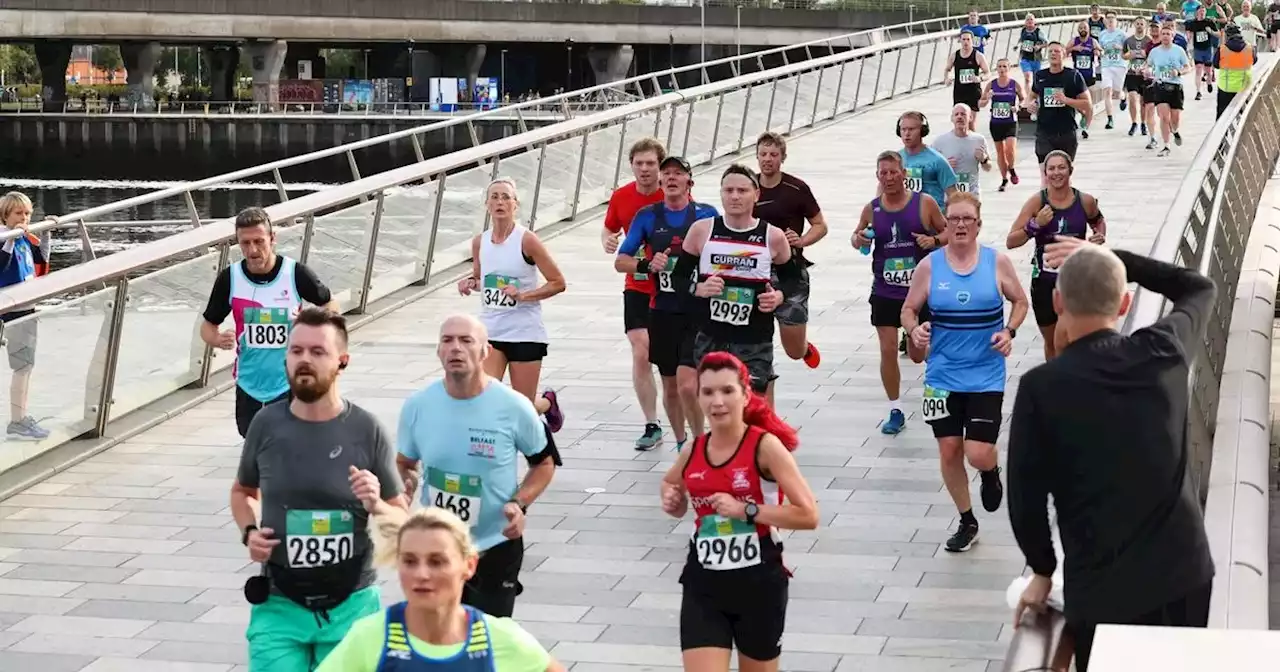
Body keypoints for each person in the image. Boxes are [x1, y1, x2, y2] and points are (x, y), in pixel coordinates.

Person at [1008, 237, 1217, 672]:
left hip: (1102, 590)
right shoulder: (1165, 351)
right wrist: (1113, 258)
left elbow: (1025, 501)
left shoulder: (1041, 388)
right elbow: (1198, 287)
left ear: (1057, 300)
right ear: (1124, 304)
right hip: (1184, 575)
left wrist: (1044, 572)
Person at [232, 307, 407, 671]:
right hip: (279, 605)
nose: (304, 360)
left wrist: (376, 503)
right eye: (296, 351)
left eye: (317, 352)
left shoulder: (366, 429)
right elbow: (243, 491)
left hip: (352, 606)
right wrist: (249, 532)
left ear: (342, 361)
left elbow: (402, 519)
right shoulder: (265, 425)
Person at [660, 351, 819, 672]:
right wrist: (672, 500)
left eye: (727, 391)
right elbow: (670, 484)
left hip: (759, 583)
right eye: (708, 392)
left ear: (746, 395)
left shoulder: (765, 447)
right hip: (704, 582)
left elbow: (808, 515)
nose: (717, 401)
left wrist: (746, 510)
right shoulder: (694, 449)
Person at [395, 314, 561, 618]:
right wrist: (406, 484)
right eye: (447, 341)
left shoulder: (514, 406)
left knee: (487, 643)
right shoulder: (418, 406)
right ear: (438, 351)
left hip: (496, 543)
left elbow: (544, 463)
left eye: (466, 341)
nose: (455, 348)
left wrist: (519, 503)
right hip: (437, 545)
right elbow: (405, 462)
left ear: (485, 352)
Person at [901, 192, 1028, 553]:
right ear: (946, 223)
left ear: (978, 224)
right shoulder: (929, 266)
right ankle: (967, 519)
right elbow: (909, 309)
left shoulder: (996, 262)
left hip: (986, 374)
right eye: (953, 219)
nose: (959, 225)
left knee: (977, 451)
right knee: (948, 450)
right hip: (941, 376)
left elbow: (1020, 301)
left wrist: (1009, 331)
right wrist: (915, 329)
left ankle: (990, 472)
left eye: (966, 219)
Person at [317, 507, 566, 672]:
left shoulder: (501, 640)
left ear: (469, 566)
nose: (421, 574)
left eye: (437, 562)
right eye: (410, 561)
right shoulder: (370, 638)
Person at [202, 206, 337, 439]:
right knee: (254, 442)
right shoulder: (230, 279)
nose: (253, 250)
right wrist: (217, 339)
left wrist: (313, 327)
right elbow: (207, 327)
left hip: (291, 380)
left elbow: (331, 307)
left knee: (287, 447)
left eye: (259, 241)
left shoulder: (294, 274)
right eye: (245, 243)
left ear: (272, 239)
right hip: (249, 381)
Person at [615, 156, 720, 451]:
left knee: (690, 383)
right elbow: (621, 262)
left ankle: (700, 443)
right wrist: (648, 265)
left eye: (678, 173)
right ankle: (680, 442)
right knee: (672, 386)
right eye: (667, 173)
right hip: (662, 311)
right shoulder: (648, 216)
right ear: (660, 182)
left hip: (699, 310)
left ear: (690, 182)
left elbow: (726, 249)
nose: (672, 178)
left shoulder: (706, 214)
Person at [459, 179, 567, 434]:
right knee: (482, 398)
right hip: (491, 332)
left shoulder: (526, 240)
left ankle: (547, 403)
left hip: (525, 332)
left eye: (506, 197)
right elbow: (482, 279)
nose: (500, 202)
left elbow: (558, 282)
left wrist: (524, 295)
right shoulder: (479, 242)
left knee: (523, 409)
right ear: (486, 205)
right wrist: (469, 282)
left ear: (515, 205)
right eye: (494, 197)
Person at [853, 151, 945, 435]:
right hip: (885, 290)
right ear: (877, 176)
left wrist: (933, 240)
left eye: (894, 172)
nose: (889, 177)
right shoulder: (872, 209)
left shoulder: (924, 204)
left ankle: (938, 388)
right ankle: (895, 408)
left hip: (919, 292)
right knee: (888, 349)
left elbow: (950, 234)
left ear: (904, 174)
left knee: (919, 353)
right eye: (883, 173)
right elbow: (858, 239)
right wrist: (859, 238)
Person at [681, 165, 791, 402]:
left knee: (751, 404)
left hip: (755, 338)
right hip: (711, 335)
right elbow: (678, 278)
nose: (734, 196)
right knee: (719, 406)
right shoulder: (702, 231)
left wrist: (779, 296)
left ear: (756, 194)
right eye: (728, 190)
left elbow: (795, 280)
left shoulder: (772, 236)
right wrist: (697, 288)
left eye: (742, 190)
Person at [1005, 151, 1107, 361]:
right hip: (1044, 283)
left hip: (1075, 282)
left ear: (1070, 170)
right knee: (1052, 343)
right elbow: (1011, 241)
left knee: (1071, 340)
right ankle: (1056, 387)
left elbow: (1098, 222)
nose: (1056, 173)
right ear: (1045, 172)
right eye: (1051, 168)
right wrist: (1035, 225)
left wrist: (1099, 236)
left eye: (1061, 167)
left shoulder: (1085, 201)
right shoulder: (1036, 202)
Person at [602, 137, 667, 450]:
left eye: (650, 164)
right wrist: (607, 240)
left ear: (660, 167)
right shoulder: (621, 196)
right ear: (632, 165)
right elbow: (609, 226)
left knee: (670, 360)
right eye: (639, 163)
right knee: (641, 351)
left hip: (668, 288)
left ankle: (686, 424)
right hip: (636, 284)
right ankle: (651, 423)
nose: (644, 169)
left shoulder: (671, 193)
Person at [753, 132, 825, 370]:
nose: (768, 159)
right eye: (763, 154)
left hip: (790, 270)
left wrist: (802, 240)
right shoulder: (747, 188)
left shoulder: (797, 188)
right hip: (756, 270)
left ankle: (803, 347)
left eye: (773, 154)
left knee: (793, 351)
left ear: (782, 158)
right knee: (753, 342)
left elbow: (820, 225)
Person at [0, 191, 50, 440]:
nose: (24, 218)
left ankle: (21, 417)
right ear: (5, 215)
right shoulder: (5, 238)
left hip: (26, 305)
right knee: (22, 366)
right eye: (18, 213)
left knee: (26, 366)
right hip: (12, 308)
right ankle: (18, 421)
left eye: (28, 213)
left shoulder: (24, 238)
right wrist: (10, 239)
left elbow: (41, 263)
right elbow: (2, 264)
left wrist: (47, 233)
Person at [1027, 43, 1091, 181]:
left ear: (1064, 54)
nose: (1053, 54)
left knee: (1064, 177)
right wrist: (1030, 104)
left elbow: (1087, 103)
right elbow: (1031, 96)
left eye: (1057, 51)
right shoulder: (1040, 75)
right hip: (1044, 131)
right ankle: (1046, 202)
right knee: (1046, 177)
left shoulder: (1073, 76)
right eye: (1050, 51)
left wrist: (1066, 100)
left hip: (1066, 131)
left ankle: (1065, 202)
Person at [896, 111, 959, 210]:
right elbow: (883, 188)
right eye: (903, 129)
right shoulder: (896, 159)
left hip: (932, 219)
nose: (907, 133)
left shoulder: (937, 160)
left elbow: (954, 195)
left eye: (911, 129)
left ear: (922, 131)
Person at [980, 59, 1026, 191]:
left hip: (1010, 122)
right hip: (996, 123)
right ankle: (1004, 179)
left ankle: (1011, 168)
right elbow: (980, 103)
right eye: (999, 67)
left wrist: (1017, 106)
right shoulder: (991, 85)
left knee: (1010, 149)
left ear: (1009, 68)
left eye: (1004, 66)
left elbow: (1023, 99)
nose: (1002, 69)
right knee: (1000, 152)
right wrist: (987, 98)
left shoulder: (1014, 84)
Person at [1148, 24, 1192, 156]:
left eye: (1168, 34)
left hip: (1176, 87)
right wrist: (1146, 71)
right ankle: (1166, 146)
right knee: (1164, 117)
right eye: (1164, 34)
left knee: (1175, 118)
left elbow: (1188, 67)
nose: (1166, 36)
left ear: (1173, 37)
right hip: (1160, 86)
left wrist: (1178, 72)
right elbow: (1148, 65)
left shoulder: (1179, 51)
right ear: (1160, 36)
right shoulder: (1154, 51)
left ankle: (1175, 131)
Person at [931, 104, 993, 197]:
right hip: (948, 196)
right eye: (956, 114)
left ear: (970, 118)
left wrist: (983, 160)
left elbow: (988, 168)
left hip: (971, 195)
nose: (959, 117)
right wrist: (944, 166)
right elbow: (929, 169)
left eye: (963, 114)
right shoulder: (940, 141)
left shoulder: (979, 139)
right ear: (951, 118)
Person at [944, 31, 989, 131]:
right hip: (959, 92)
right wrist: (946, 78)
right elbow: (947, 69)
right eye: (963, 39)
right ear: (960, 40)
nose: (965, 42)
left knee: (971, 123)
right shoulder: (954, 55)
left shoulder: (978, 55)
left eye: (968, 39)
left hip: (973, 92)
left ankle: (974, 144)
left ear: (972, 41)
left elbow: (987, 73)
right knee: (959, 124)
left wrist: (980, 78)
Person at [1213, 23, 1257, 118]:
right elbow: (1254, 61)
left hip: (1226, 87)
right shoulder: (1250, 48)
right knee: (1244, 115)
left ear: (1227, 35)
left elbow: (1216, 65)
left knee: (1222, 115)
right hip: (1244, 87)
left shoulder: (1222, 49)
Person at [1068, 21, 1101, 138]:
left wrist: (1098, 52)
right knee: (1074, 101)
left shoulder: (1093, 41)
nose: (1083, 29)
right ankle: (1082, 114)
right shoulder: (1074, 40)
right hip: (1076, 76)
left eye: (1085, 27)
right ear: (1078, 30)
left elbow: (1101, 51)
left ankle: (1087, 127)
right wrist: (1074, 48)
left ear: (1089, 30)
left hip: (1089, 76)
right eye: (1080, 27)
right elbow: (1064, 51)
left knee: (1089, 103)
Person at [1123, 18, 1155, 137]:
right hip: (1132, 73)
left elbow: (1153, 57)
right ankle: (1134, 122)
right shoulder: (1128, 40)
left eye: (1142, 24)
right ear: (1134, 25)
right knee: (1132, 97)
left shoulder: (1149, 40)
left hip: (1144, 75)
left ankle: (1143, 123)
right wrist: (1128, 55)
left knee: (1143, 101)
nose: (1140, 26)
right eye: (1137, 24)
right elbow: (1123, 55)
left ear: (1145, 26)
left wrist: (1145, 55)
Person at [1097, 12, 1129, 130]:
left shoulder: (1122, 34)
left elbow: (1129, 49)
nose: (1110, 21)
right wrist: (1101, 52)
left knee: (1117, 92)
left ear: (1116, 21)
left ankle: (1123, 97)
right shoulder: (1102, 34)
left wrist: (1120, 48)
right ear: (1105, 21)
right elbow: (1100, 48)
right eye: (1108, 19)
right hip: (1106, 65)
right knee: (1107, 92)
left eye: (1112, 19)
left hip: (1120, 65)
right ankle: (1110, 119)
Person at [1185, 5, 1217, 100]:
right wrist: (1189, 36)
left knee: (1208, 71)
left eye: (1204, 11)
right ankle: (1198, 92)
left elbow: (1217, 33)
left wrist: (1211, 32)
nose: (1202, 13)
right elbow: (1188, 32)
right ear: (1197, 12)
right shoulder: (1193, 23)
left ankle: (1209, 82)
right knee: (1198, 69)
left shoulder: (1209, 22)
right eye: (1200, 11)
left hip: (1208, 48)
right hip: (1197, 49)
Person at [1017, 14, 1049, 95]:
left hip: (1036, 59)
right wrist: (1017, 46)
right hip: (1025, 58)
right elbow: (1021, 39)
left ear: (1034, 21)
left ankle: (1035, 96)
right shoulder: (1023, 30)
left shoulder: (1038, 31)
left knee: (1036, 79)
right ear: (1025, 22)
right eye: (1027, 19)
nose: (1029, 21)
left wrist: (1039, 46)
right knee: (1027, 77)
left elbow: (1047, 43)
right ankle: (1028, 96)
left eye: (1031, 19)